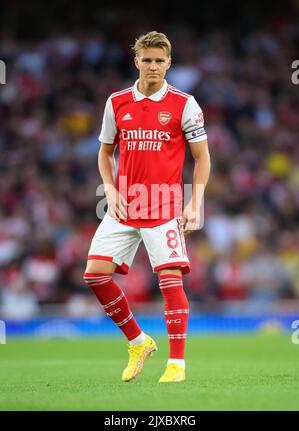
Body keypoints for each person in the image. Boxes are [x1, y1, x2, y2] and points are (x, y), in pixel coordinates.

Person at [83, 31, 211, 383]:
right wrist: (109, 189)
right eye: (147, 60)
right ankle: (138, 342)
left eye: (159, 61)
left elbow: (202, 159)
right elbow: (105, 152)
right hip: (124, 204)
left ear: (168, 63)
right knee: (94, 275)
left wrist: (194, 202)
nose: (153, 66)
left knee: (170, 281)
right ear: (136, 61)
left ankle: (177, 364)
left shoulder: (185, 104)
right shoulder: (117, 102)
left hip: (163, 205)